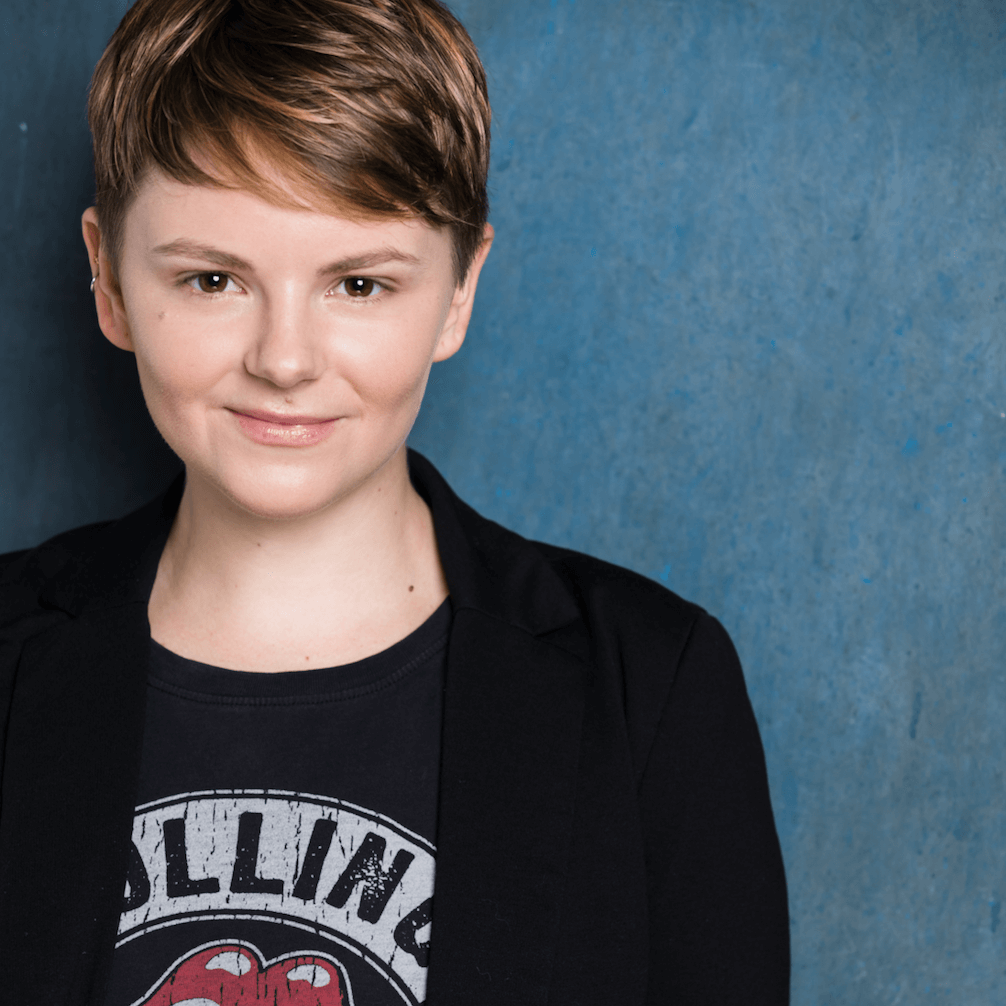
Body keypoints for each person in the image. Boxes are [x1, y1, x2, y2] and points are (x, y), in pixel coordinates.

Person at [0, 0, 790, 1002]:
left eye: (359, 285)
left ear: (458, 292)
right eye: (212, 279)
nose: (284, 359)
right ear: (108, 276)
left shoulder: (648, 690)